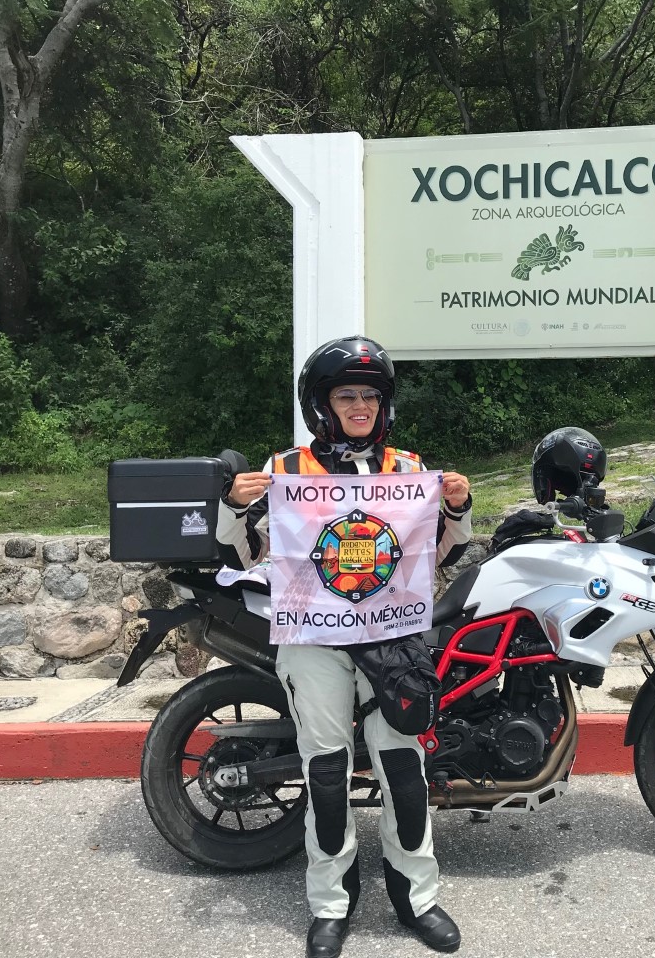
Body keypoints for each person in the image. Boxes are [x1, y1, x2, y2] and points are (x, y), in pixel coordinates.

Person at [215, 336, 472, 958]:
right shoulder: (286, 470)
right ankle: (331, 903)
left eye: (370, 396)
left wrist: (458, 508)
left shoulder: (408, 469)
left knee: (404, 772)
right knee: (326, 773)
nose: (360, 406)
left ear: (385, 405)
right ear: (322, 404)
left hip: (392, 641)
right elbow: (244, 556)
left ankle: (418, 898)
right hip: (315, 641)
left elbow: (440, 555)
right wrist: (233, 507)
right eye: (346, 395)